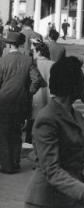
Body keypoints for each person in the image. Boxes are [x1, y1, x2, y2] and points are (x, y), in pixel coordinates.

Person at [24, 56, 84, 208]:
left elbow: (77, 152)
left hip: (69, 196)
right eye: (82, 79)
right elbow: (51, 169)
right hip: (46, 200)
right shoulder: (47, 118)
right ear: (72, 84)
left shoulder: (75, 114)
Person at [0, 31, 43, 173]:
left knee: (4, 134)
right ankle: (15, 162)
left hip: (4, 102)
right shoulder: (28, 60)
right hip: (21, 103)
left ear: (8, 44)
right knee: (16, 133)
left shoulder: (2, 61)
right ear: (20, 44)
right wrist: (28, 93)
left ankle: (7, 165)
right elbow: (37, 80)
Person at [26, 40, 54, 144]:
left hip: (35, 102)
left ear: (38, 52)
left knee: (31, 135)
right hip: (50, 105)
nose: (32, 53)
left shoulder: (33, 64)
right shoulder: (53, 65)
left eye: (33, 51)